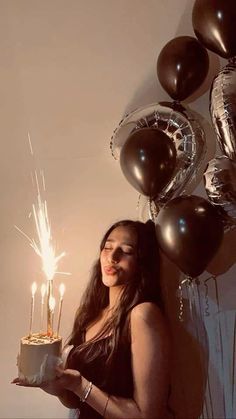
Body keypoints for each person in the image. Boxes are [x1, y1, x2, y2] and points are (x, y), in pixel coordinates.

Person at [14, 219, 172, 418]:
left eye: (127, 251)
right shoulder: (91, 315)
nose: (113, 257)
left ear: (142, 262)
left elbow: (148, 415)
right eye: (107, 247)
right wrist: (56, 387)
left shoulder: (143, 315)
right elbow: (78, 401)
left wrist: (79, 385)